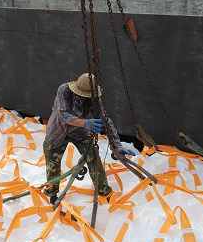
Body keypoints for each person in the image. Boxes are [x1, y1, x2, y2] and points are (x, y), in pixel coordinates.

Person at [43, 73, 136, 204]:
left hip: (80, 133)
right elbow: (63, 115)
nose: (85, 98)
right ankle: (52, 193)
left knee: (94, 159)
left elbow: (106, 120)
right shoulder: (64, 90)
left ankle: (103, 190)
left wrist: (117, 144)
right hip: (58, 131)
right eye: (82, 95)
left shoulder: (95, 99)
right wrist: (85, 123)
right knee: (52, 164)